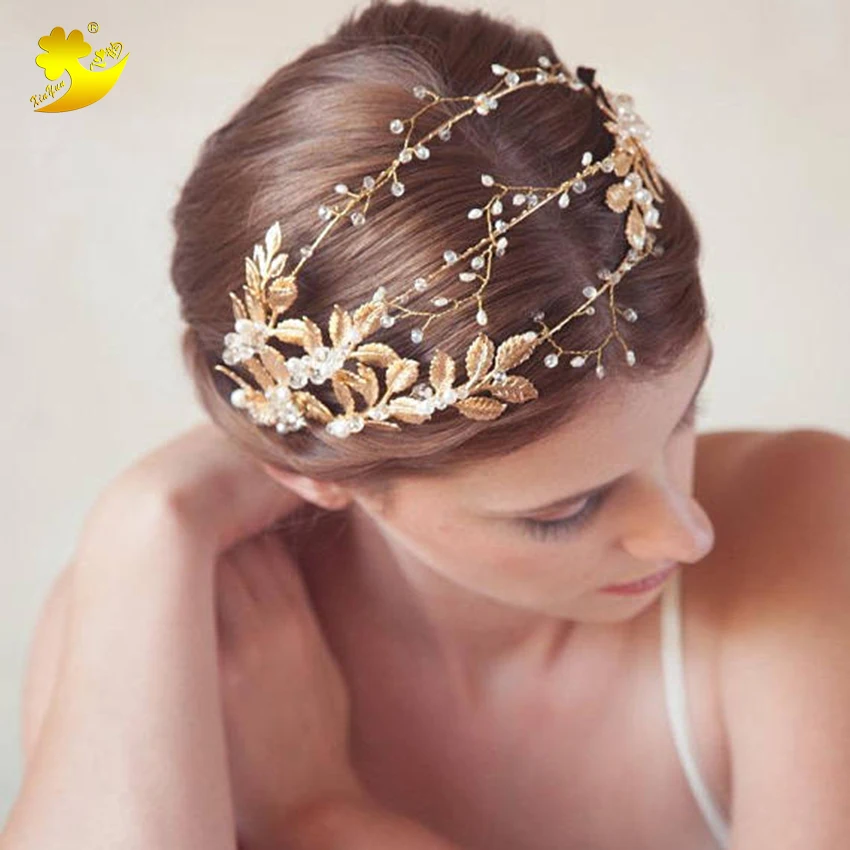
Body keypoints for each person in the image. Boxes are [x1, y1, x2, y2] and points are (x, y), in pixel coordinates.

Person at [4, 2, 849, 850]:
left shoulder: (805, 525)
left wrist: (321, 817)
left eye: (686, 414)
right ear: (317, 476)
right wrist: (149, 520)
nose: (687, 533)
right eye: (565, 510)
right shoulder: (175, 619)